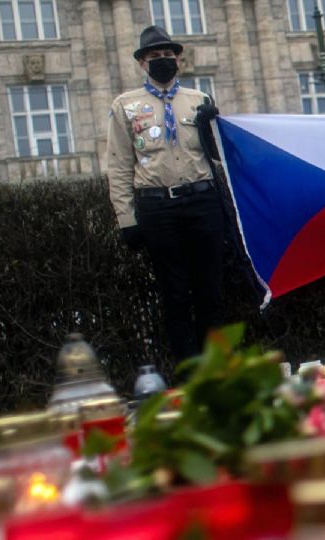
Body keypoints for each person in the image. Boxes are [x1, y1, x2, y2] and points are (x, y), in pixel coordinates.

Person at [107, 26, 224, 362]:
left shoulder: (199, 100)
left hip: (202, 199)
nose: (163, 61)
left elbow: (218, 156)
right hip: (157, 206)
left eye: (168, 55)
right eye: (155, 57)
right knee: (174, 294)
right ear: (143, 63)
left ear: (179, 59)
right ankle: (188, 374)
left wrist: (213, 126)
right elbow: (118, 164)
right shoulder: (126, 106)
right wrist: (126, 219)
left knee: (211, 292)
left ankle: (217, 371)